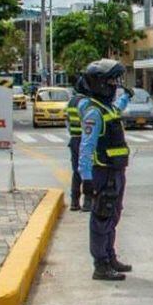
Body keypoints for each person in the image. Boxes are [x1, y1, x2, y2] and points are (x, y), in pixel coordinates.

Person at [76, 58, 133, 281]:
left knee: (112, 215)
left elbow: (118, 109)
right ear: (99, 83)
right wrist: (86, 178)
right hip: (103, 172)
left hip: (116, 171)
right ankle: (100, 265)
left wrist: (127, 97)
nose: (114, 86)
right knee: (102, 216)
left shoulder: (107, 108)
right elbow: (86, 147)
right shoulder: (93, 112)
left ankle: (110, 256)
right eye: (111, 82)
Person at [65, 84, 84, 212]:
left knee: (76, 172)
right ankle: (88, 201)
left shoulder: (71, 102)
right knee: (88, 170)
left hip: (74, 139)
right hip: (85, 139)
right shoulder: (86, 102)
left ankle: (74, 202)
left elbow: (67, 121)